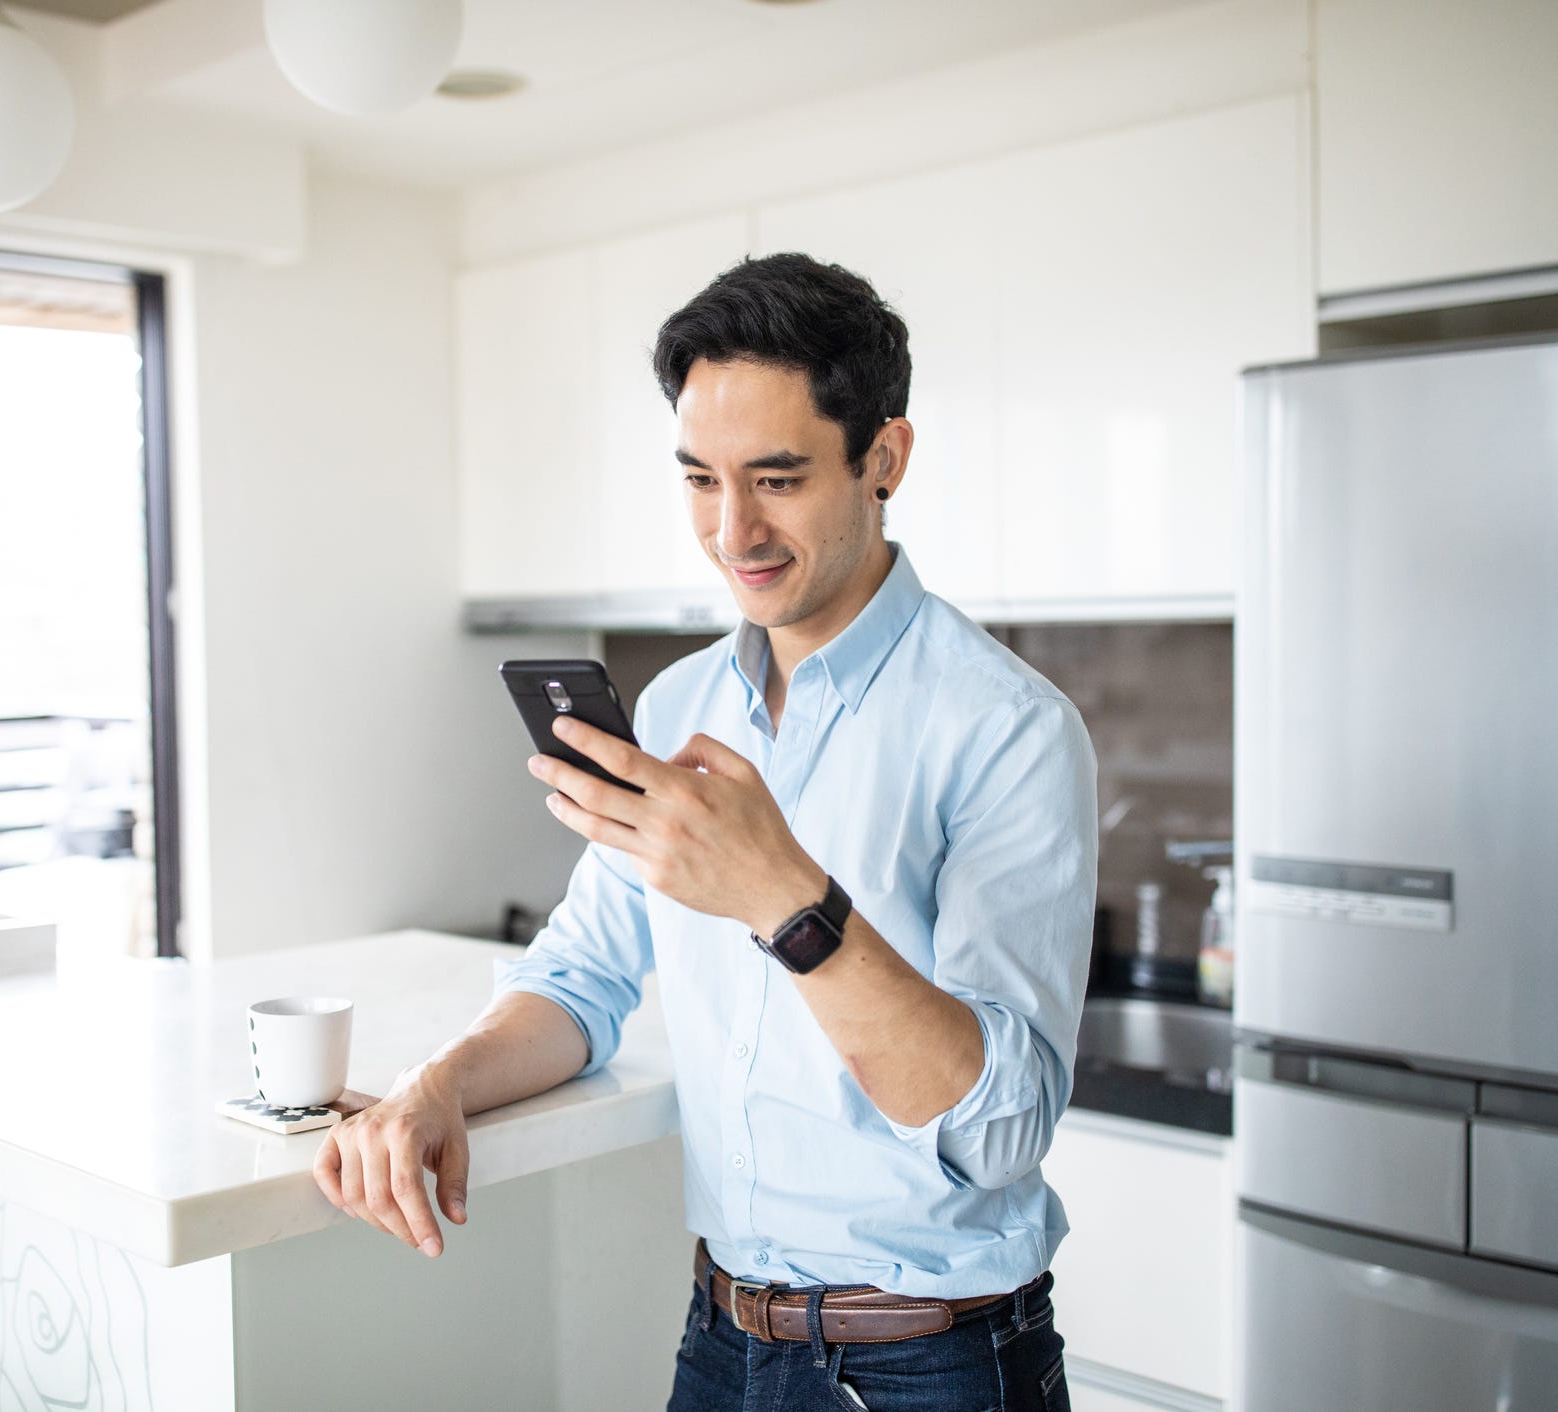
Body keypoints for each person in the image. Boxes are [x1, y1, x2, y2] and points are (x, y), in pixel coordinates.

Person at [314, 252, 1096, 1411]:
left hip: (929, 1360)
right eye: (698, 478)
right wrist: (434, 1085)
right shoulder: (681, 706)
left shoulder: (1007, 729)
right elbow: (581, 980)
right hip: (722, 1339)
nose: (733, 530)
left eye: (776, 479)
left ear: (882, 458)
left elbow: (1002, 1128)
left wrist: (785, 897)